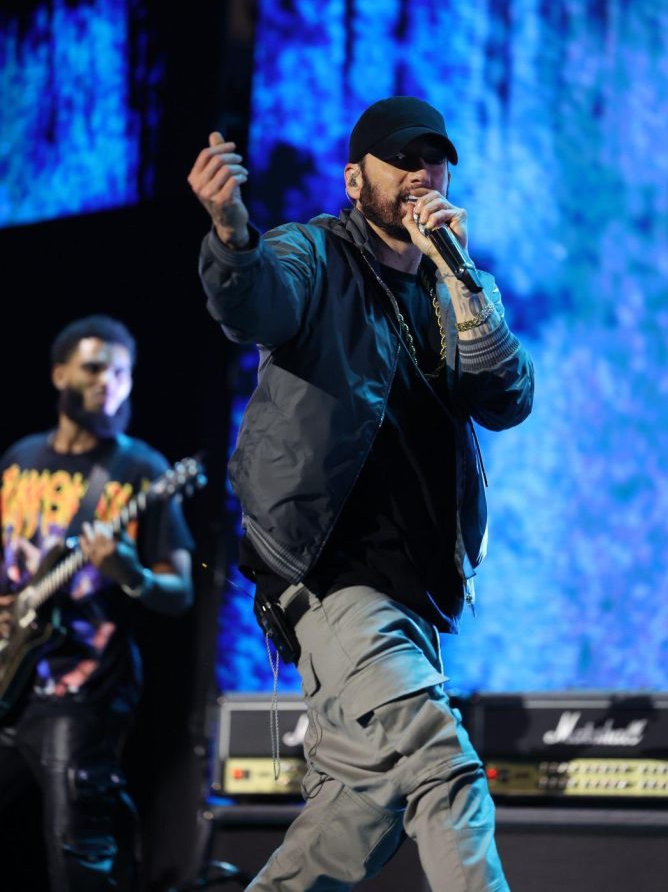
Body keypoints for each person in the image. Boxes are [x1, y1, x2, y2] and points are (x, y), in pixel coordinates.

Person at [189, 96, 533, 891]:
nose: (419, 174)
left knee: (356, 814)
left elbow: (507, 399)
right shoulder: (315, 254)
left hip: (415, 593)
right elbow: (253, 301)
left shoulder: (455, 287)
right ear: (354, 180)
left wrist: (461, 278)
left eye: (432, 160)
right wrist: (232, 231)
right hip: (333, 574)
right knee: (443, 768)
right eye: (400, 159)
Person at [0, 315, 195, 891]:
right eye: (93, 368)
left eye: (121, 373)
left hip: (82, 696)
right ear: (60, 374)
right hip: (9, 681)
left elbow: (180, 593)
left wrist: (130, 573)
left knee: (77, 856)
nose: (108, 382)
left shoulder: (143, 471)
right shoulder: (19, 459)